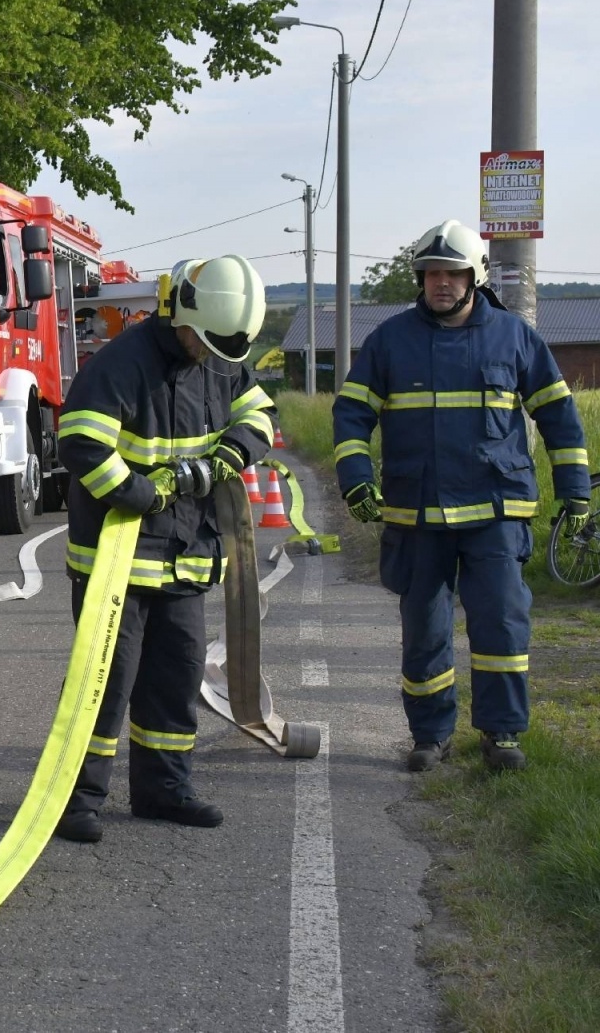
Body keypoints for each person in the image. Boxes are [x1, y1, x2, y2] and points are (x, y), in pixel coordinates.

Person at [333, 220, 589, 772]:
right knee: (424, 630)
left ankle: (501, 735)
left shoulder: (514, 337)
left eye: (452, 273)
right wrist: (355, 476)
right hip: (416, 513)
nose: (440, 283)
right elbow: (352, 414)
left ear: (475, 276)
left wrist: (574, 492)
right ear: (420, 280)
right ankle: (430, 736)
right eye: (430, 274)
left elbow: (559, 417)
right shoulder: (390, 341)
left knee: (500, 623)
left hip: (496, 513)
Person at [54, 255, 276, 844]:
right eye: (201, 343)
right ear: (179, 312)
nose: (208, 355)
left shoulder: (220, 356)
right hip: (114, 564)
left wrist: (230, 457)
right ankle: (75, 801)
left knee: (175, 680)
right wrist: (138, 495)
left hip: (186, 556)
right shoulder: (122, 364)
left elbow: (259, 414)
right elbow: (79, 442)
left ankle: (162, 790)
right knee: (102, 684)